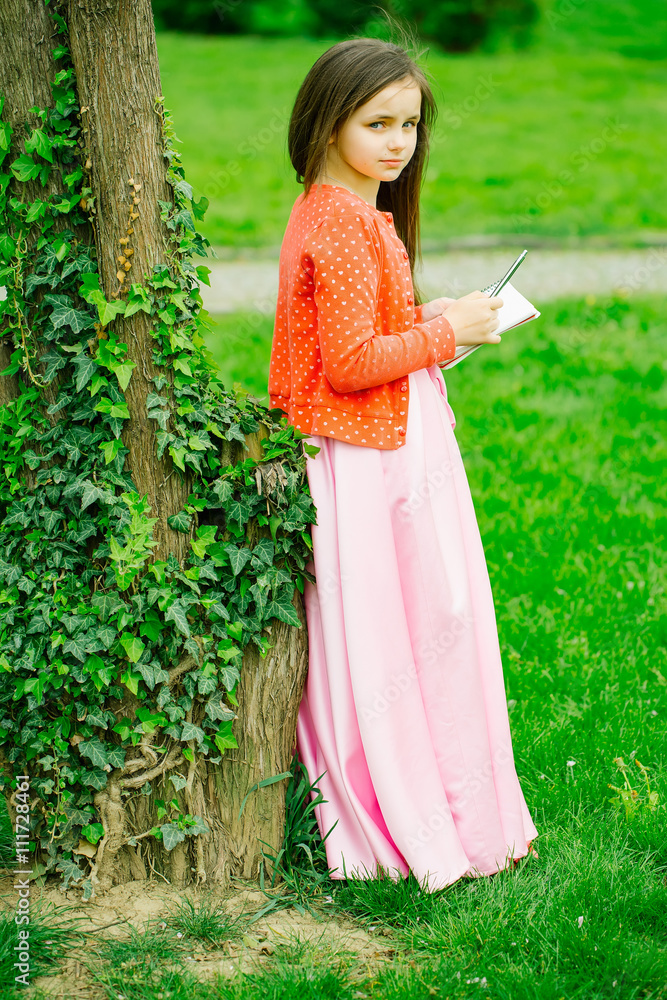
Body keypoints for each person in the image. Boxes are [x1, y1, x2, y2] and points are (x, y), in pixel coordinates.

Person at [268, 35, 538, 891]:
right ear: (325, 121)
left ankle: (442, 797)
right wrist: (444, 333)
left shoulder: (347, 212)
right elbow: (347, 365)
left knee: (423, 620)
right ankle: (418, 809)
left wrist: (436, 321)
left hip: (384, 442)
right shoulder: (342, 223)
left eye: (409, 124)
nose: (397, 142)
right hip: (370, 458)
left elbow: (360, 338)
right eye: (376, 122)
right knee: (413, 625)